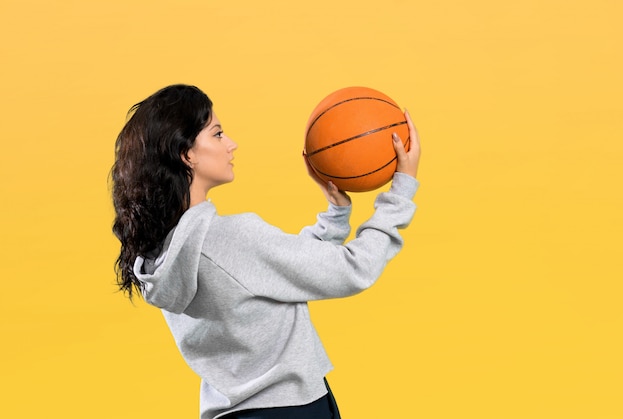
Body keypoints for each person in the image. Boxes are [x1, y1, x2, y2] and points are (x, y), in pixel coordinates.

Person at [111, 84, 421, 419]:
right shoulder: (228, 239)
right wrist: (401, 192)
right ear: (187, 153)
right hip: (291, 410)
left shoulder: (163, 249)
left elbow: (280, 272)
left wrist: (335, 213)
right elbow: (354, 268)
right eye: (217, 134)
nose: (231, 144)